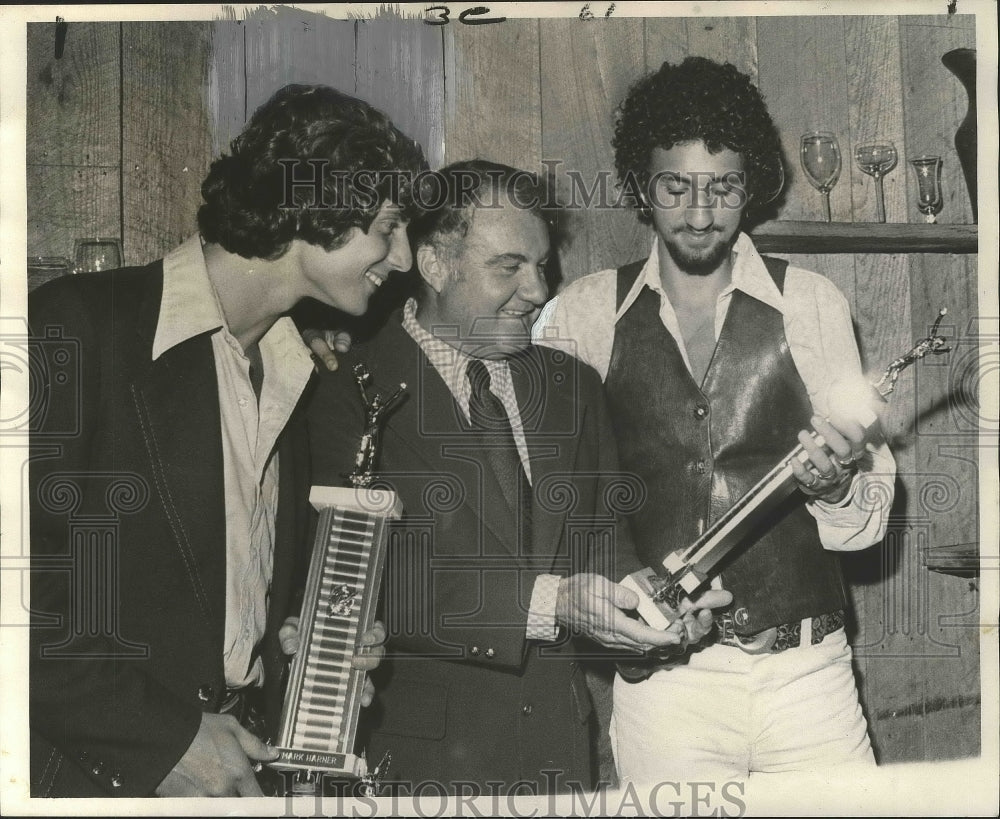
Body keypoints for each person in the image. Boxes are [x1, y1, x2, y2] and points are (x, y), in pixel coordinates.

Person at [28, 83, 426, 797]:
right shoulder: (75, 327)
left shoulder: (294, 371)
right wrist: (166, 740)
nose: (404, 258)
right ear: (318, 207)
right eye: (390, 226)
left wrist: (313, 661)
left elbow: (225, 604)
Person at [305, 160, 731, 795]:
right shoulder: (344, 391)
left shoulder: (573, 389)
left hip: (557, 757)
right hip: (418, 770)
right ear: (435, 264)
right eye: (509, 267)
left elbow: (602, 549)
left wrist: (653, 609)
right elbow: (357, 589)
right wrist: (554, 602)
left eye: (540, 267)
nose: (536, 291)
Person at [533, 56, 897, 783]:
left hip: (809, 675)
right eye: (676, 187)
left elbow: (872, 514)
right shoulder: (581, 312)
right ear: (642, 185)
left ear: (749, 186)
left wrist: (834, 488)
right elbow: (544, 487)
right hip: (666, 688)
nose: (700, 214)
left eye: (722, 186)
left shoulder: (813, 301)